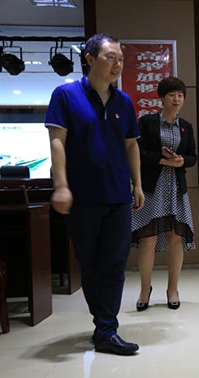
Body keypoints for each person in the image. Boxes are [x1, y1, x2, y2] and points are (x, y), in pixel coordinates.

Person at [45, 33, 144, 355]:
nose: (117, 64)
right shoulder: (66, 95)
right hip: (82, 197)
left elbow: (131, 145)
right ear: (89, 59)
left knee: (114, 264)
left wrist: (138, 184)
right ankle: (103, 326)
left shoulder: (123, 102)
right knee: (90, 264)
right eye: (110, 57)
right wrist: (61, 185)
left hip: (118, 196)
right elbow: (57, 141)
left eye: (121, 59)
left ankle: (106, 329)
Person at [131, 77, 196, 312]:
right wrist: (162, 160)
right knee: (147, 239)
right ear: (162, 97)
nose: (176, 99)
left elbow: (192, 156)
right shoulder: (147, 122)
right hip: (152, 188)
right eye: (171, 94)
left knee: (175, 238)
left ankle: (172, 289)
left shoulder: (186, 126)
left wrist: (181, 161)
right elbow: (138, 151)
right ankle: (144, 290)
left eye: (180, 95)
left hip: (176, 189)